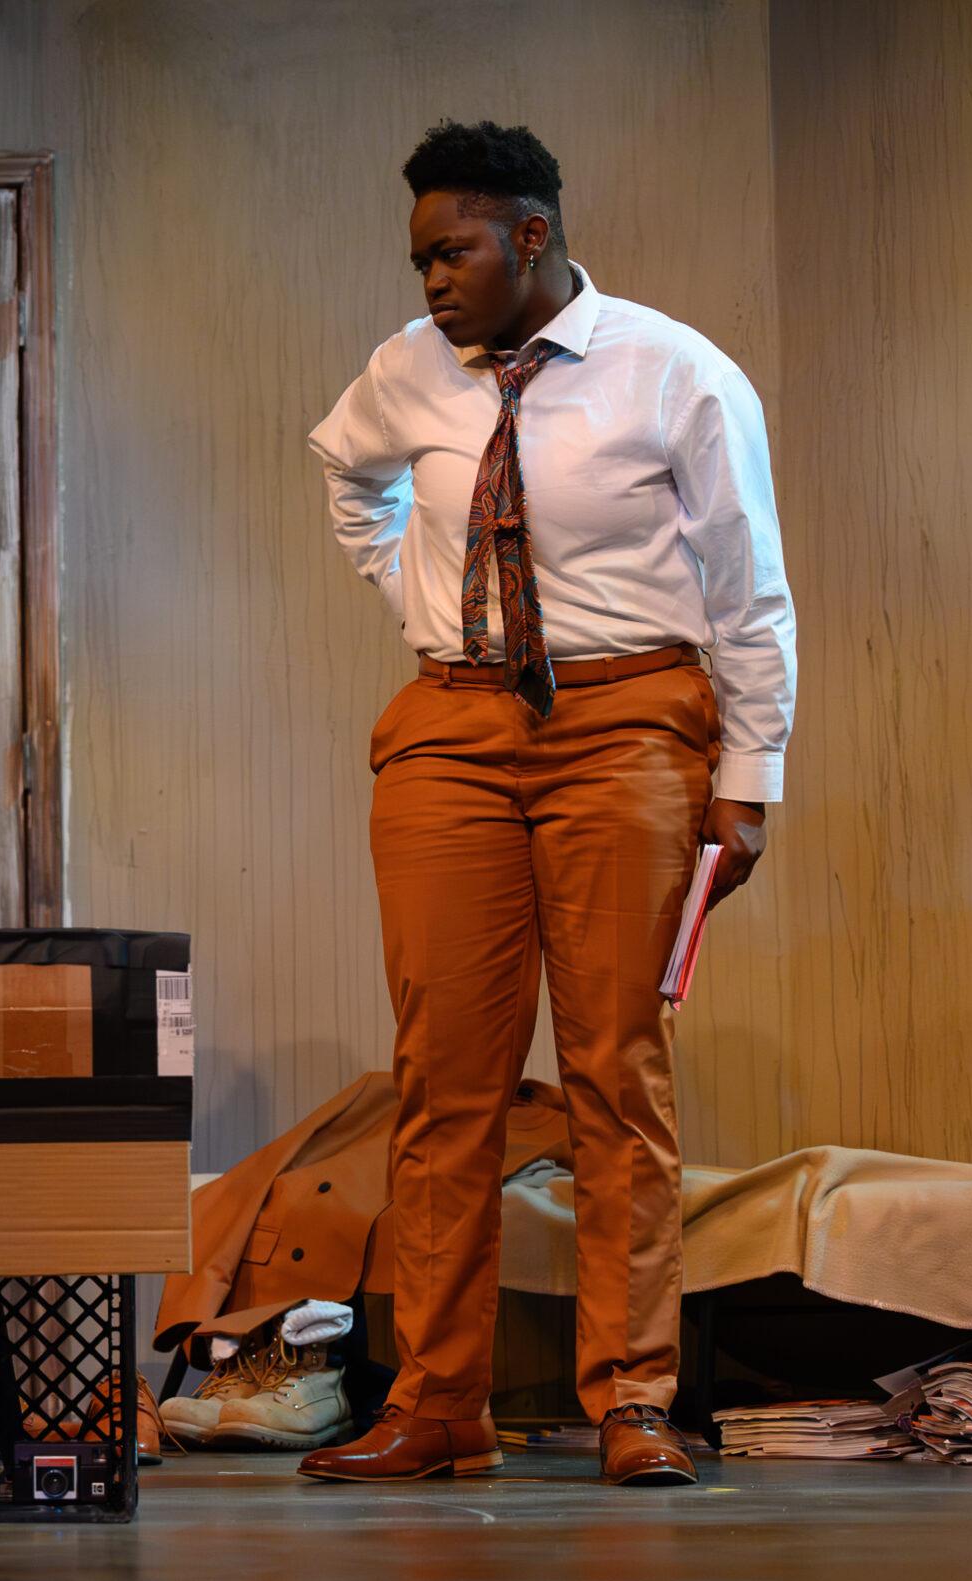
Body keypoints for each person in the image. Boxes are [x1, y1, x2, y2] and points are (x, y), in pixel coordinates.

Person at [295, 122, 795, 1486]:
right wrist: (412, 586)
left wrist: (748, 780)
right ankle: (438, 1403)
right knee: (442, 1075)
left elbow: (749, 590)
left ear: (529, 234)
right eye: (417, 260)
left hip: (627, 717)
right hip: (451, 723)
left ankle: (632, 1401)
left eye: (450, 253)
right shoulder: (410, 368)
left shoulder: (675, 372)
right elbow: (350, 473)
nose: (430, 282)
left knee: (613, 1069)